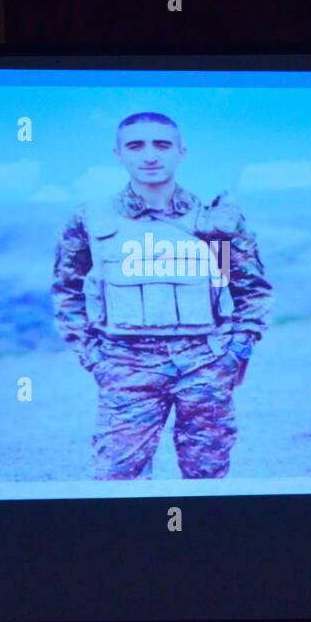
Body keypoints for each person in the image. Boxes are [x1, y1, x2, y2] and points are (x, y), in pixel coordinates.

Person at [51, 111, 272, 479]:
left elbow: (249, 290)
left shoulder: (212, 220)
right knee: (118, 482)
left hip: (205, 364)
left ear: (181, 152)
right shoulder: (92, 218)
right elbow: (67, 292)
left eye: (162, 144)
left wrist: (235, 354)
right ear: (118, 152)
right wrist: (96, 360)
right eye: (136, 145)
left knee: (207, 480)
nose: (150, 155)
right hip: (126, 367)